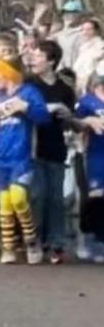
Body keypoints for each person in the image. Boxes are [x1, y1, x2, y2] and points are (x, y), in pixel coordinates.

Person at [0, 55, 50, 264]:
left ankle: (31, 239)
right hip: (2, 155)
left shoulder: (29, 92)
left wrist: (25, 108)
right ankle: (9, 247)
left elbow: (43, 118)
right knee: (5, 202)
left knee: (18, 198)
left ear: (9, 74)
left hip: (23, 154)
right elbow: (0, 124)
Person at [28, 41, 76, 264]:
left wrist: (66, 114)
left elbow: (70, 120)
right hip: (32, 146)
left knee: (56, 198)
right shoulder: (29, 84)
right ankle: (34, 240)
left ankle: (56, 243)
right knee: (37, 196)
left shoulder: (64, 89)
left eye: (38, 56)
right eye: (33, 56)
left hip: (56, 147)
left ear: (51, 61)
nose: (33, 60)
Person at [74, 69, 104, 263]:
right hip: (95, 155)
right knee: (95, 199)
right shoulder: (87, 101)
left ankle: (100, 240)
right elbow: (74, 122)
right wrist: (88, 121)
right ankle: (87, 240)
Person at [72, 17, 104, 94]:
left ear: (96, 30)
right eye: (83, 29)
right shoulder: (82, 47)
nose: (85, 32)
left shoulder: (100, 46)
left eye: (89, 29)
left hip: (93, 84)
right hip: (79, 83)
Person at [54, 0, 84, 71]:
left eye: (73, 13)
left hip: (78, 72)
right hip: (61, 72)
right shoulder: (58, 35)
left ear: (79, 15)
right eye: (66, 13)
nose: (68, 16)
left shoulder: (83, 32)